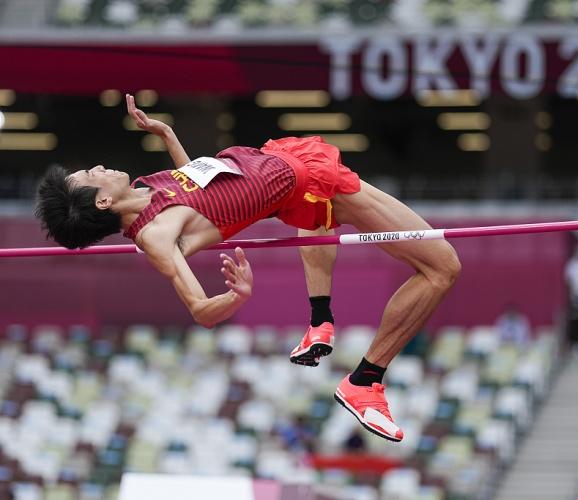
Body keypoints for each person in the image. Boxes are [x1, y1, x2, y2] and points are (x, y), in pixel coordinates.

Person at [34, 95, 462, 443]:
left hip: (287, 165)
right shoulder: (156, 235)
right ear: (101, 203)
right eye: (90, 175)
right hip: (308, 182)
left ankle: (321, 322)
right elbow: (201, 311)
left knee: (321, 224)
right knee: (441, 267)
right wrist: (235, 296)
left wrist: (167, 134)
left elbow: (198, 182)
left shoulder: (147, 188)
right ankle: (365, 381)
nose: (99, 167)